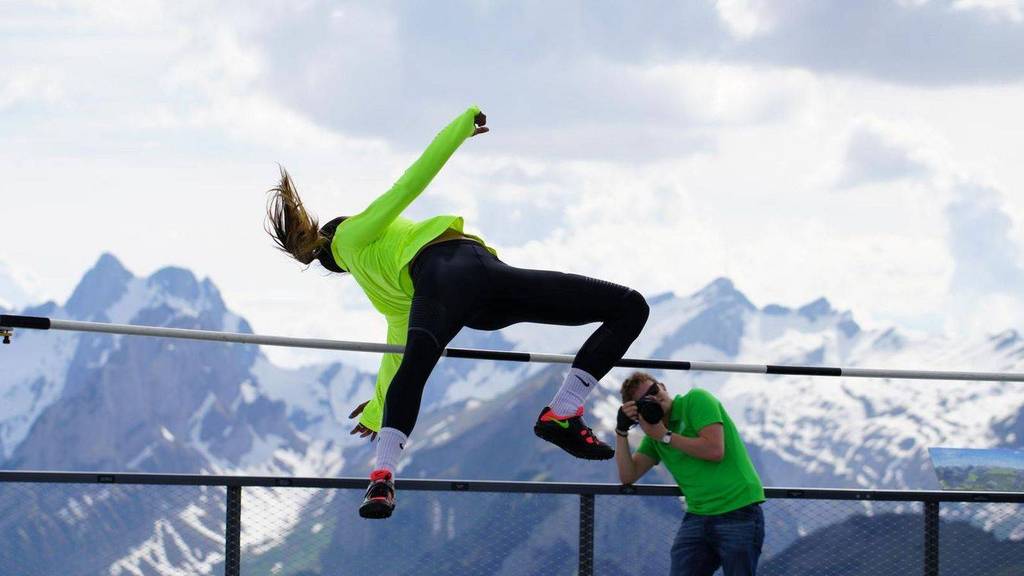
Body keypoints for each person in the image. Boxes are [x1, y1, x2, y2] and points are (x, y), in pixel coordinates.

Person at [265, 106, 649, 519]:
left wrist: (378, 410)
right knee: (629, 306)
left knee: (416, 365)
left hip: (467, 296)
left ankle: (383, 476)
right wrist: (460, 126)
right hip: (483, 281)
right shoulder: (353, 232)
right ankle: (564, 407)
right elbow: (409, 183)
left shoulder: (382, 290)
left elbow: (399, 355)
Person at [615, 372, 765, 576]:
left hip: (738, 509)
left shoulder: (696, 400)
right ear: (638, 412)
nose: (655, 397)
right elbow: (628, 476)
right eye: (645, 400)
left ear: (663, 386)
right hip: (698, 515)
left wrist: (665, 436)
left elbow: (714, 450)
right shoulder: (654, 435)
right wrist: (621, 432)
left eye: (654, 390)